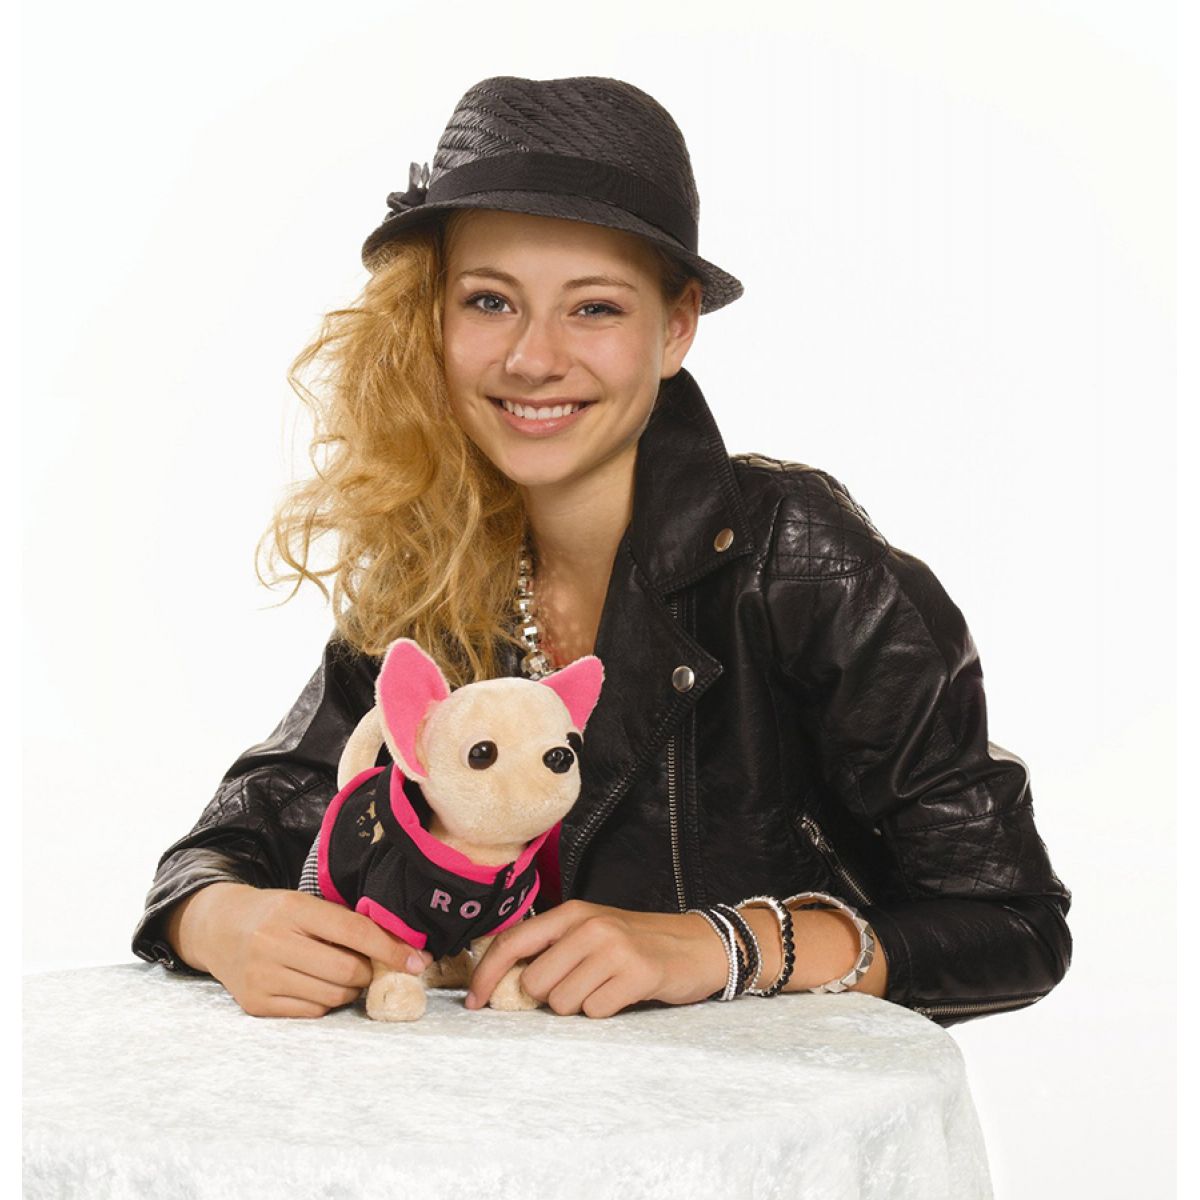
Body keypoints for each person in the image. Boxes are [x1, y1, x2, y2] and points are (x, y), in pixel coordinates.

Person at [131, 75, 1072, 1025]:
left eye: (594, 309)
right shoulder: (434, 566)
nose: (534, 359)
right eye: (489, 301)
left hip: (771, 1115)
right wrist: (225, 924)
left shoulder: (801, 561)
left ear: (676, 328)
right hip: (492, 1116)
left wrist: (720, 945)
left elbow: (1014, 923)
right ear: (432, 322)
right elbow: (243, 831)